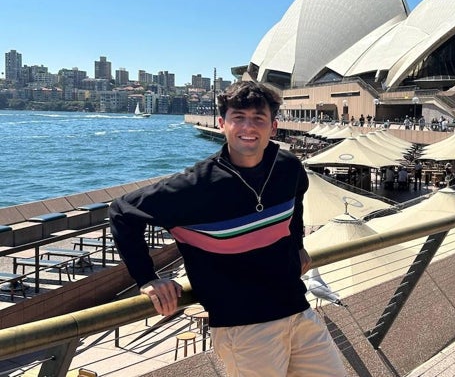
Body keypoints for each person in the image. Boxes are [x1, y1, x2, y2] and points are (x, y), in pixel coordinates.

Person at [109, 81, 346, 376]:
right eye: (239, 118)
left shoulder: (287, 166)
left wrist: (296, 243)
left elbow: (297, 196)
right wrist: (147, 278)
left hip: (299, 310)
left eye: (258, 118)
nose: (249, 127)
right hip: (244, 329)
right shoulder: (195, 186)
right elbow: (121, 212)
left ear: (273, 127)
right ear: (222, 124)